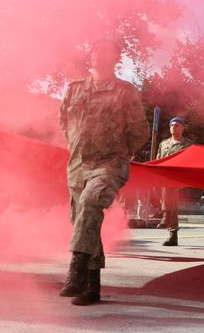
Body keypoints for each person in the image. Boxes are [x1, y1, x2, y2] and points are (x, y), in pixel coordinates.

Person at [58, 38, 149, 306]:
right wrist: (76, 147)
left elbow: (139, 131)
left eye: (104, 51)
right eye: (94, 49)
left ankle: (76, 269)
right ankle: (92, 285)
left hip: (109, 163)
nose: (97, 53)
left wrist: (120, 153)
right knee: (83, 219)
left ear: (116, 58)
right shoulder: (74, 90)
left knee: (90, 202)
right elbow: (65, 123)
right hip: (77, 165)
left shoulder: (125, 91)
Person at [157, 116, 193, 246]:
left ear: (182, 128)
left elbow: (191, 163)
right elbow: (158, 159)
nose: (174, 127)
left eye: (177, 125)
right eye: (172, 125)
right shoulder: (164, 144)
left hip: (179, 179)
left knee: (171, 203)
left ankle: (166, 218)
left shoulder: (188, 144)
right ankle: (173, 234)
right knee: (173, 206)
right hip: (164, 178)